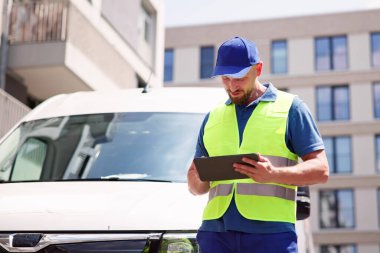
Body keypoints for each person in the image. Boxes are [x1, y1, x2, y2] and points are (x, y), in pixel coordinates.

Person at [187, 36, 329, 253]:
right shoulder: (212, 117)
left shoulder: (291, 108)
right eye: (225, 78)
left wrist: (273, 174)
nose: (232, 86)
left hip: (271, 235)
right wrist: (194, 180)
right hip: (215, 234)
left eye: (240, 77)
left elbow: (321, 170)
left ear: (258, 69)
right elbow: (199, 188)